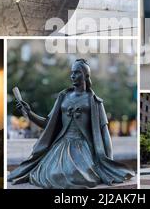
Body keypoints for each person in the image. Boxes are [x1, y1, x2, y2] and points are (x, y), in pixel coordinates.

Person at [8, 59, 134, 188]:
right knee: (50, 174)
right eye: (72, 72)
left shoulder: (95, 102)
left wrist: (108, 163)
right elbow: (48, 124)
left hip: (83, 149)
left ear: (86, 76)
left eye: (77, 72)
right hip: (60, 147)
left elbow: (104, 132)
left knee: (77, 175)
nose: (72, 76)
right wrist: (29, 113)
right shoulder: (63, 97)